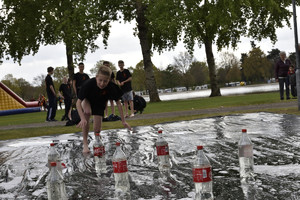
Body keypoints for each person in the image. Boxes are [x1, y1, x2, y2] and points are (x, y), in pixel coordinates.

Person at [76, 65, 131, 153]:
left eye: (105, 81)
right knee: (87, 112)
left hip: (99, 103)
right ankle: (85, 144)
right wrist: (82, 118)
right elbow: (78, 103)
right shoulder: (88, 84)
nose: (102, 83)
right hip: (87, 100)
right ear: (96, 77)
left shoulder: (111, 86)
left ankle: (97, 141)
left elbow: (118, 103)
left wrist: (123, 121)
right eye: (100, 80)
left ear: (109, 80)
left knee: (97, 129)